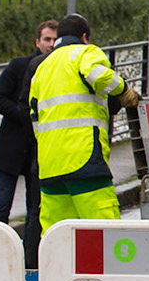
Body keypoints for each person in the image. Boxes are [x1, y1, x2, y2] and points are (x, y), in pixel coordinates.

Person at [27, 13, 138, 233]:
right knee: (106, 231)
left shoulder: (43, 66)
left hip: (50, 164)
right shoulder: (85, 52)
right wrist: (125, 90)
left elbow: (34, 116)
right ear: (85, 36)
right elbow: (99, 76)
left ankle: (57, 269)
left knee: (57, 236)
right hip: (84, 158)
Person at [0, 19, 57, 270]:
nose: (50, 44)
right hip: (11, 148)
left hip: (38, 152)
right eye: (46, 39)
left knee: (35, 209)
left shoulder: (58, 69)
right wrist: (22, 113)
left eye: (54, 40)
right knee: (1, 206)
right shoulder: (19, 66)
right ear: (37, 42)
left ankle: (30, 261)